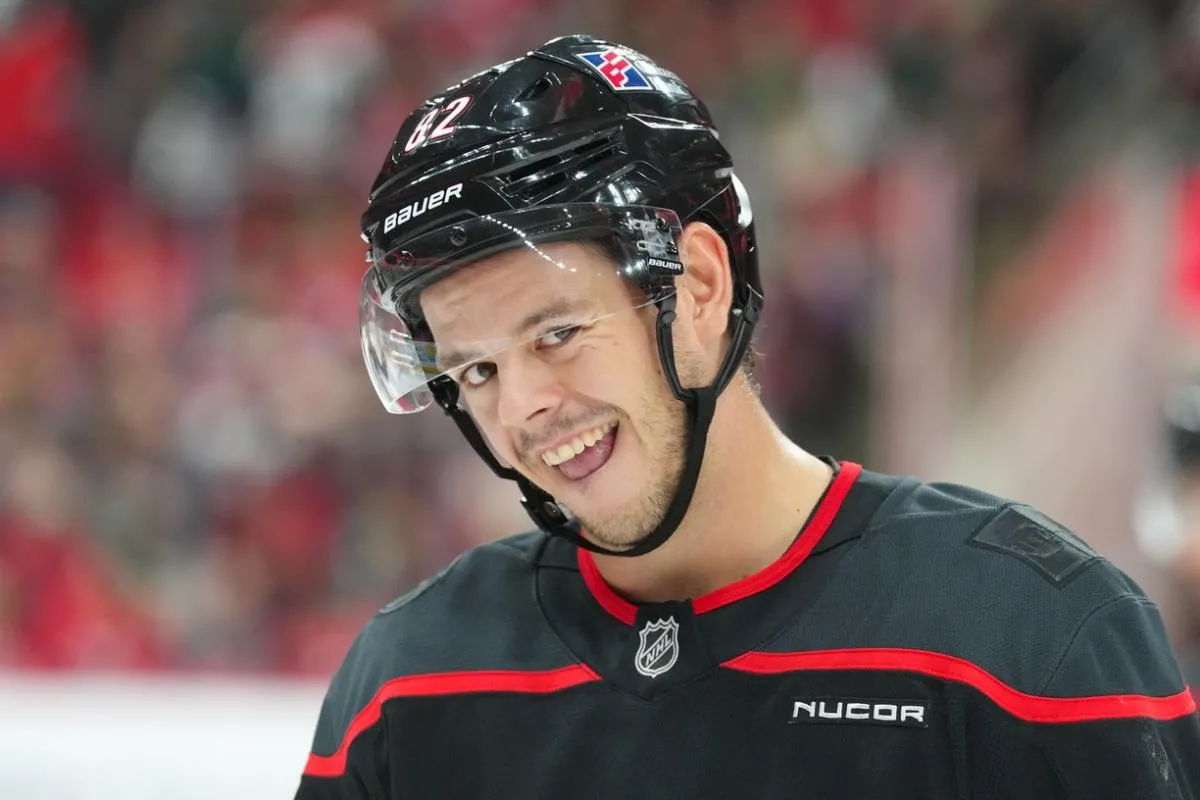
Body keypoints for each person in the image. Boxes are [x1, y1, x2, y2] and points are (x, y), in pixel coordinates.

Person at [295, 34, 1200, 799]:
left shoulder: (1026, 640)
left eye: (558, 332)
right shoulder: (407, 685)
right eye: (476, 367)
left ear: (698, 284)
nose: (521, 406)